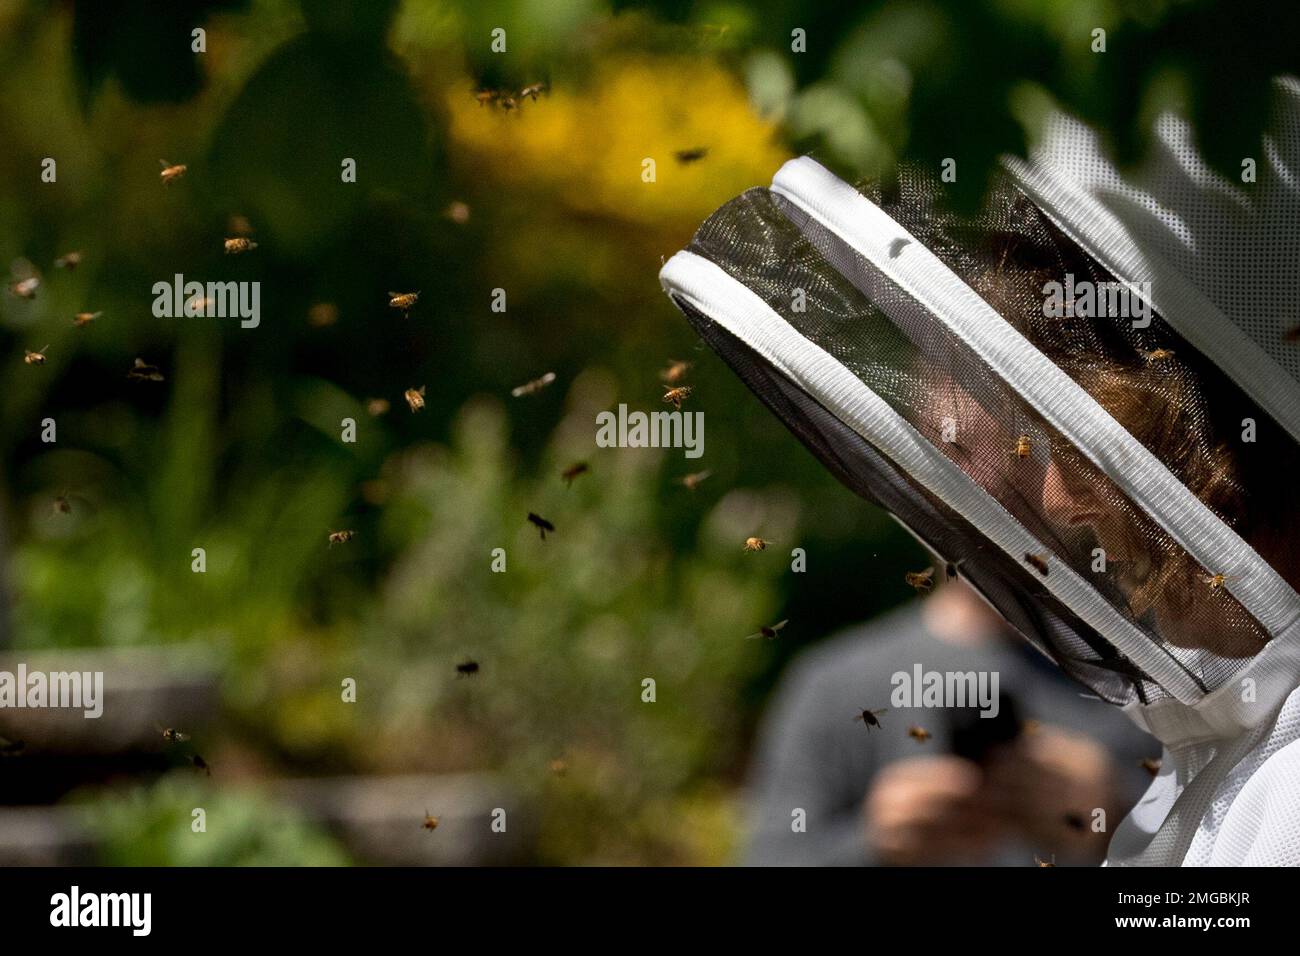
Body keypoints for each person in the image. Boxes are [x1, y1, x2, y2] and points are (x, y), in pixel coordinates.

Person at [745, 581, 1155, 866]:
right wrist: (876, 842)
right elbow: (772, 859)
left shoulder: (1137, 681)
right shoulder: (832, 684)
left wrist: (1112, 817)